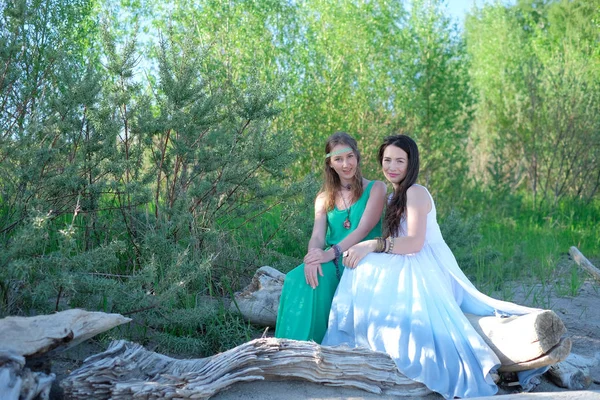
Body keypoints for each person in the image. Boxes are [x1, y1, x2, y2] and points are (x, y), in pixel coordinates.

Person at [322, 134, 541, 399]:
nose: (392, 167)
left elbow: (414, 242)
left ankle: (372, 343)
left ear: (411, 163)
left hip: (425, 264)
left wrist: (371, 245)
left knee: (366, 264)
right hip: (405, 259)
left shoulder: (415, 192)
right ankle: (363, 341)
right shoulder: (395, 196)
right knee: (363, 267)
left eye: (399, 161)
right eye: (387, 160)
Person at [275, 131, 386, 344]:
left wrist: (328, 255)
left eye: (350, 156)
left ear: (357, 157)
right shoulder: (323, 198)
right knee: (295, 278)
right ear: (330, 164)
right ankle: (287, 348)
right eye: (338, 159)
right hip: (331, 259)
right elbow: (317, 235)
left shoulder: (376, 188)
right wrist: (312, 256)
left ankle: (312, 348)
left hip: (361, 259)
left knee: (318, 279)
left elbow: (362, 230)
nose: (346, 164)